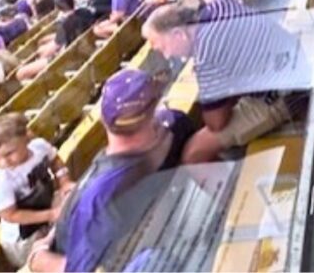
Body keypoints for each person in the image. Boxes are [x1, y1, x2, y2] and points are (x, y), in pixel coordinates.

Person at [26, 70, 194, 272]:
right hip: (178, 232)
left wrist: (40, 260)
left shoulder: (99, 196)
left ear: (104, 121)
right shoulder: (177, 123)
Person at [142, 1, 297, 164]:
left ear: (179, 34)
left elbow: (216, 123)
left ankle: (238, 184)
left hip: (285, 96)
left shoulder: (205, 53)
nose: (167, 56)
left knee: (193, 152)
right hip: (289, 66)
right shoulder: (219, 7)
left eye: (163, 48)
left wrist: (212, 87)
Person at [0, 113, 73, 267]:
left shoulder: (39, 147)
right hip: (23, 238)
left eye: (9, 153)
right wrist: (51, 214)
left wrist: (64, 181)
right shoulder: (1, 182)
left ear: (25, 138)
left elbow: (55, 160)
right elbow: (11, 215)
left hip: (45, 214)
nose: (4, 162)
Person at [16, 0, 95, 82]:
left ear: (58, 9)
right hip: (82, 49)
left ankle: (44, 83)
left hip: (68, 59)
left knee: (21, 73)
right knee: (42, 48)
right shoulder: (85, 12)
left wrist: (40, 59)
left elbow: (52, 49)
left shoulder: (66, 24)